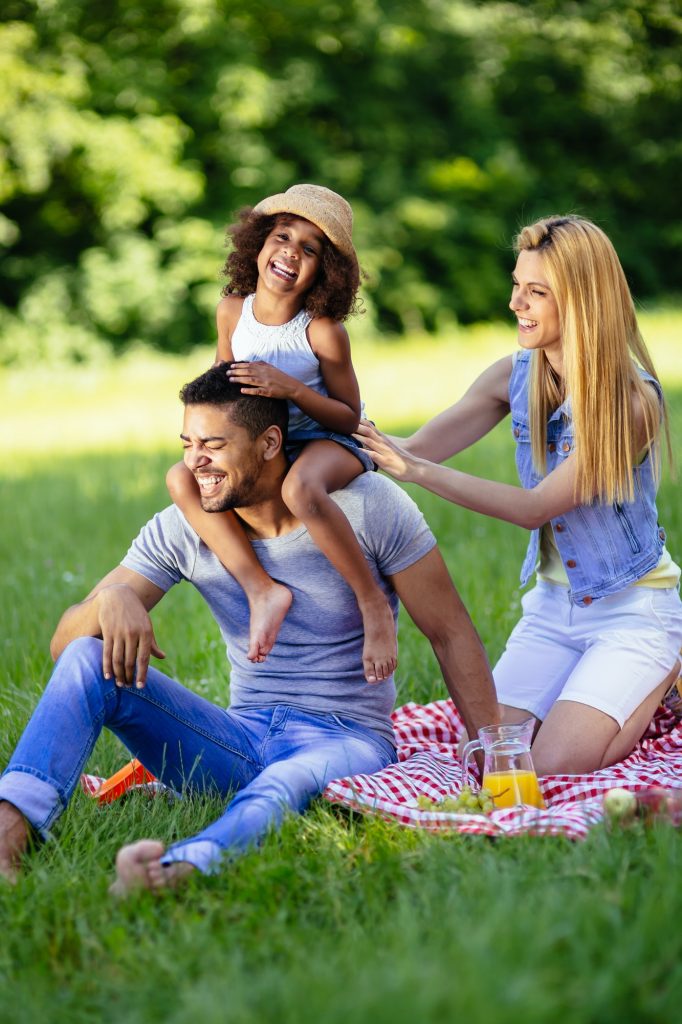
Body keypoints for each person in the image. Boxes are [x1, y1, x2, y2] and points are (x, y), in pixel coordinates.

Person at [0, 364, 498, 890]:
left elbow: (450, 632)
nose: (195, 462)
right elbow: (63, 647)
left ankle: (177, 870)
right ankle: (9, 838)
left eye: (213, 444)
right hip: (239, 736)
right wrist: (113, 601)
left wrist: (497, 754)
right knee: (86, 657)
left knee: (287, 777)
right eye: (188, 443)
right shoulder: (184, 527)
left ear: (268, 443)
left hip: (346, 738)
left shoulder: (369, 508)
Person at [357, 214, 682, 775]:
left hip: (633, 612)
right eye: (516, 285)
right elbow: (417, 446)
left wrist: (415, 472)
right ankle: (598, 689)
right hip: (553, 611)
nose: (516, 304)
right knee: (491, 761)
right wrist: (327, 419)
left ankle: (664, 668)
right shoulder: (515, 373)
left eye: (536, 293)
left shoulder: (629, 402)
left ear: (583, 301)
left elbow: (534, 508)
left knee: (552, 766)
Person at [167, 183, 396, 685]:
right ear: (258, 244)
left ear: (326, 271)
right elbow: (221, 387)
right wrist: (206, 444)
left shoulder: (322, 332)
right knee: (180, 479)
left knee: (298, 489)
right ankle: (260, 589)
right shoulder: (232, 310)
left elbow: (348, 414)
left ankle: (371, 602)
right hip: (264, 444)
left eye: (309, 249)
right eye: (282, 236)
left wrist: (289, 388)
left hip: (325, 441)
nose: (291, 253)